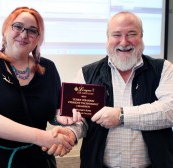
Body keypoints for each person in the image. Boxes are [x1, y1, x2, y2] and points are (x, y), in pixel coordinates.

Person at [0, 7, 80, 168]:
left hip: (35, 160)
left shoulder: (48, 68)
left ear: (38, 38)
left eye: (32, 31)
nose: (24, 35)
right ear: (5, 29)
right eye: (18, 26)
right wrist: (42, 137)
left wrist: (59, 117)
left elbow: (53, 108)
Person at [68, 11, 173, 168]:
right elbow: (81, 118)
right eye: (116, 35)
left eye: (131, 34)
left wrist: (121, 115)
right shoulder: (87, 73)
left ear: (141, 36)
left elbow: (169, 110)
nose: (124, 42)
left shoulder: (163, 68)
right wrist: (71, 133)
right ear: (108, 38)